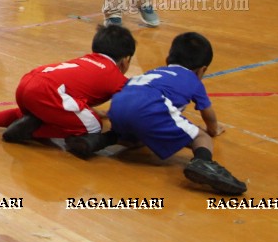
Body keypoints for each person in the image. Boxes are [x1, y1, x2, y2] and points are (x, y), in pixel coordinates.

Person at [64, 32, 247, 196]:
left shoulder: (154, 72)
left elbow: (131, 93)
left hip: (119, 105)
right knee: (202, 137)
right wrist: (213, 129)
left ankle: (97, 140)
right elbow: (208, 113)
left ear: (168, 59)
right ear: (202, 70)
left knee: (136, 135)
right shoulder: (193, 79)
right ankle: (203, 162)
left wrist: (108, 114)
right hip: (151, 108)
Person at [0, 24, 135, 143]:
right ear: (125, 60)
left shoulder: (86, 60)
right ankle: (31, 132)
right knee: (94, 125)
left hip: (28, 83)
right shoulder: (114, 75)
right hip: (49, 92)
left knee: (32, 113)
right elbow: (133, 101)